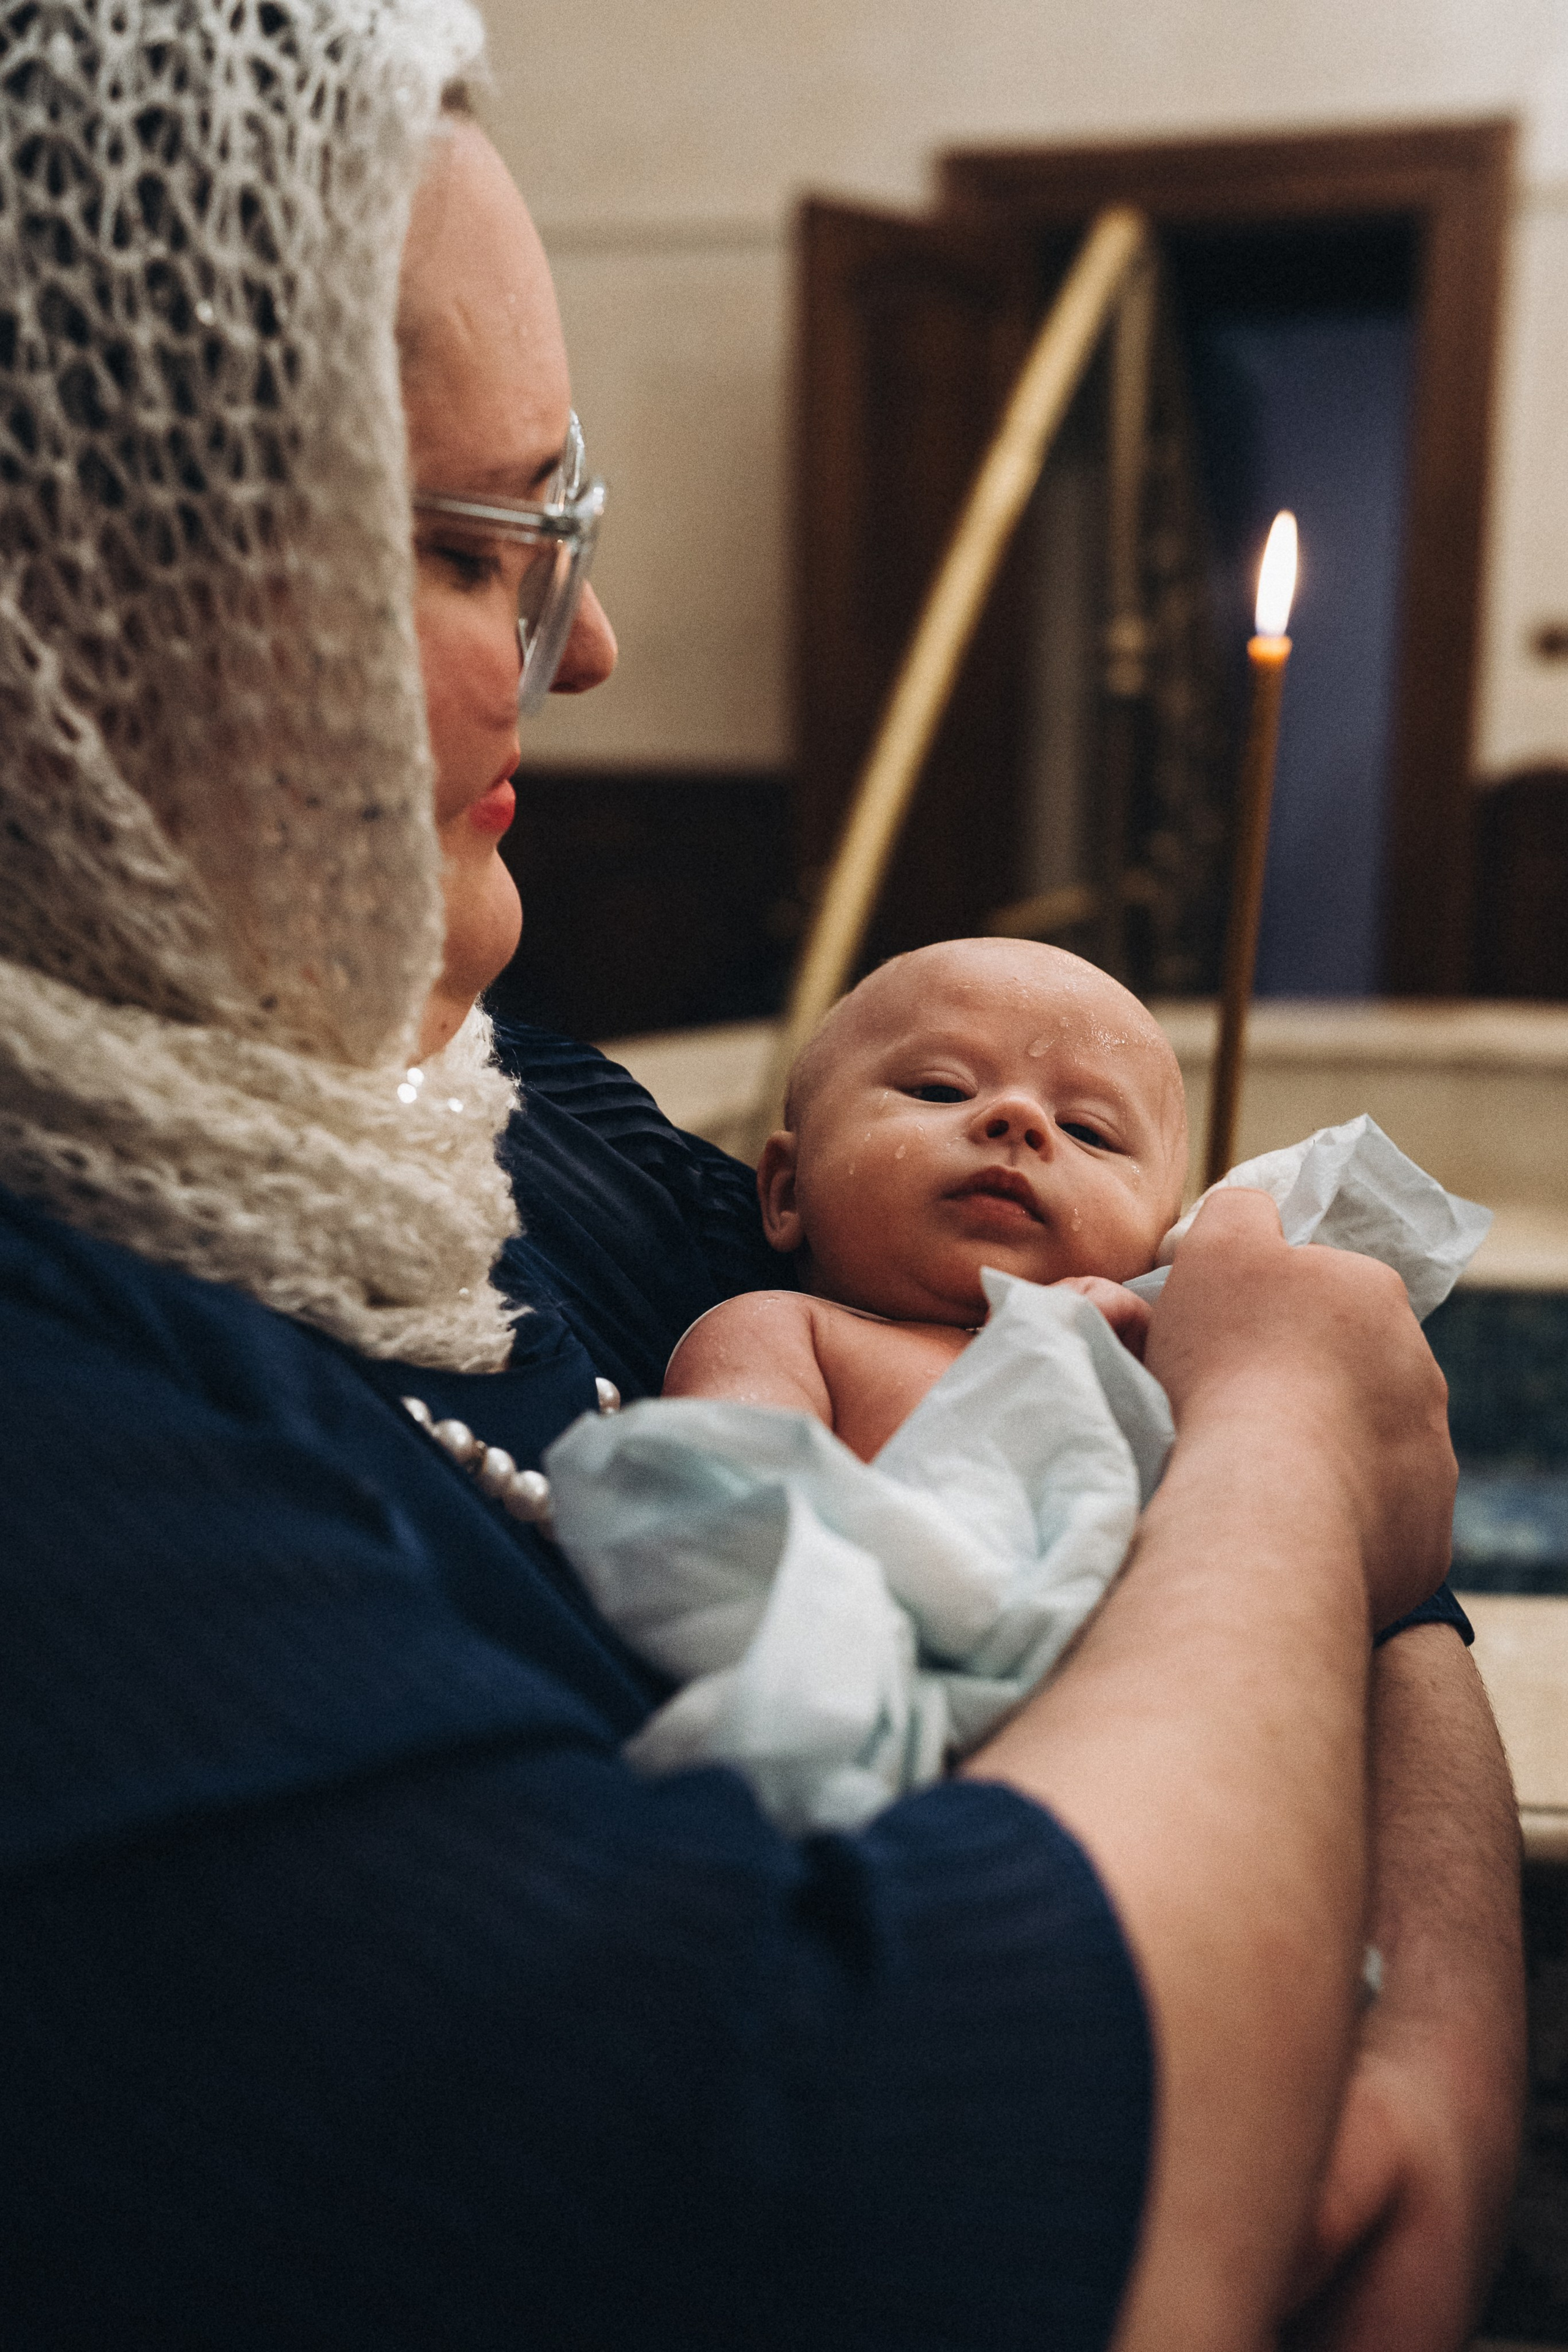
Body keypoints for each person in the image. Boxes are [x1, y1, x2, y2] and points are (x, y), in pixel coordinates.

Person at [0, 12, 1521, 2352]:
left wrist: (1420, 2039)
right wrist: (1309, 1455)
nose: (590, 643)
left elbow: (1262, 1512)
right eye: (474, 543)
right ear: (64, 590)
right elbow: (971, 2210)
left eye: (564, 532)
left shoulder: (495, 1117)